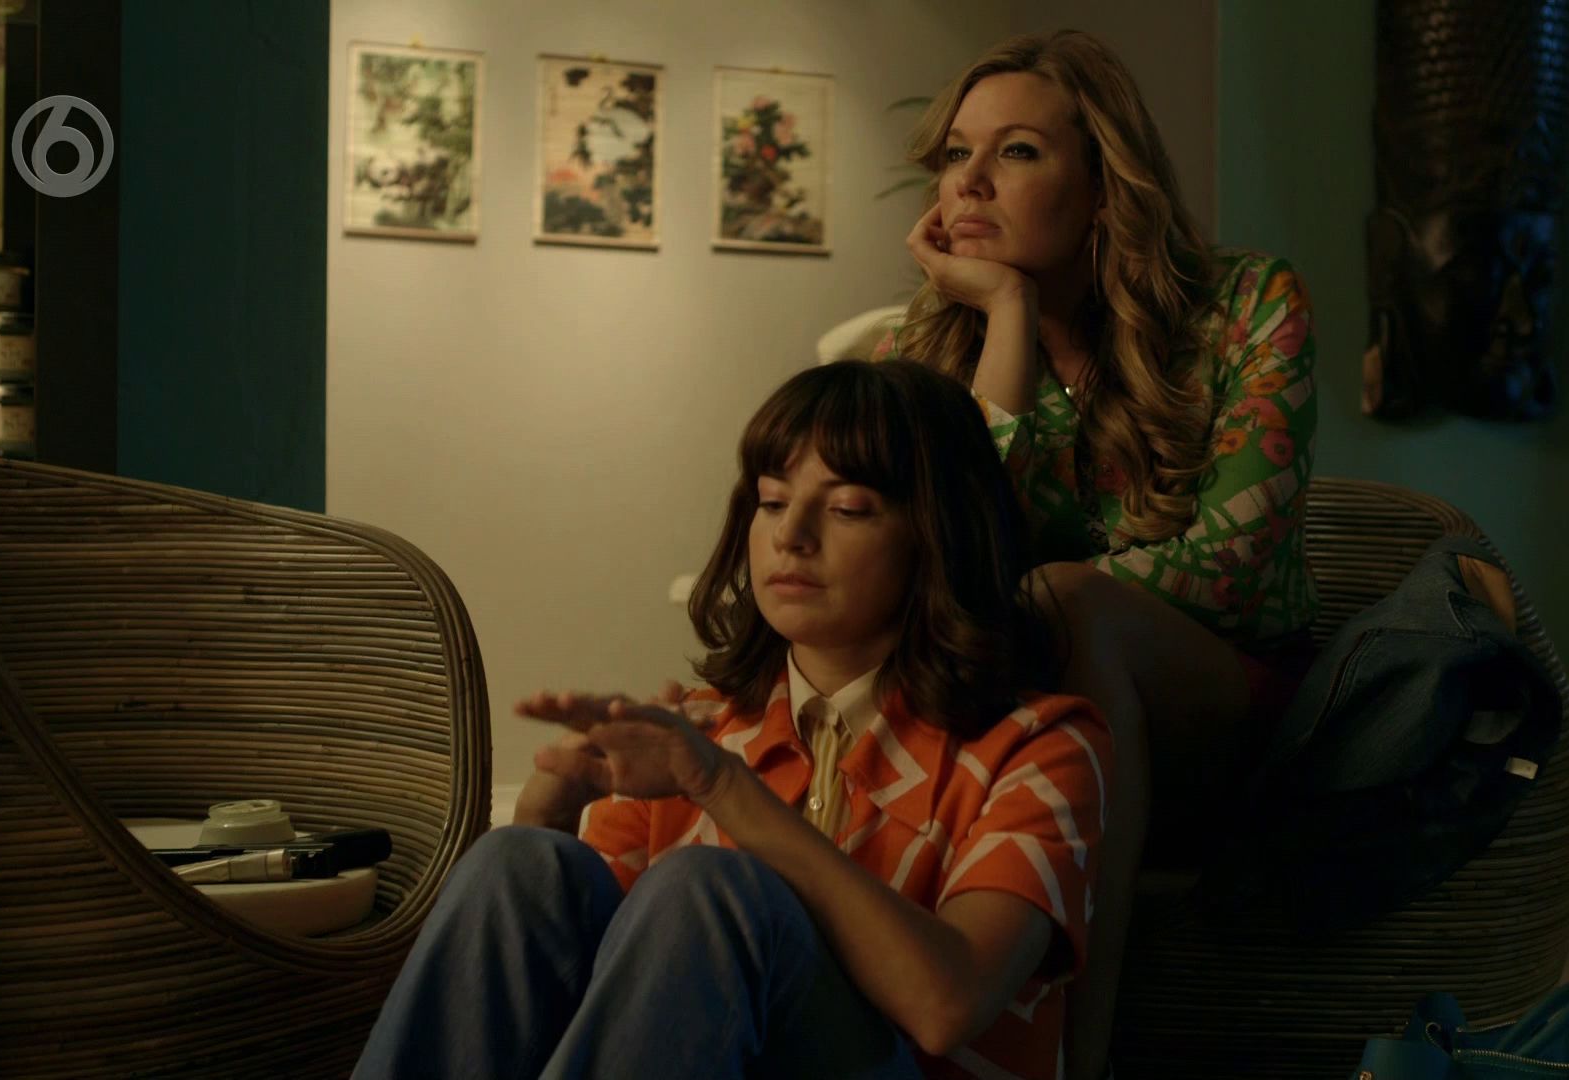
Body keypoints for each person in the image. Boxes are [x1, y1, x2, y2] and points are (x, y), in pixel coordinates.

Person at [351, 359, 1115, 1080]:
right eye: (773, 502)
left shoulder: (1040, 747)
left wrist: (725, 788)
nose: (790, 535)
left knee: (710, 887)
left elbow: (949, 1005)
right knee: (519, 861)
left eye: (847, 508)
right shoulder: (695, 734)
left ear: (939, 534)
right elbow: (597, 999)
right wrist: (550, 814)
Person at [875, 28, 1320, 857]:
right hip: (1010, 693)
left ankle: (1085, 949)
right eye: (957, 153)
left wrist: (1028, 607)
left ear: (1105, 187)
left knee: (1070, 604)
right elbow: (929, 558)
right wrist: (1007, 314)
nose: (968, 182)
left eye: (1016, 151)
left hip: (1230, 699)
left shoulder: (1249, 302)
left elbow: (1228, 571)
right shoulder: (919, 349)